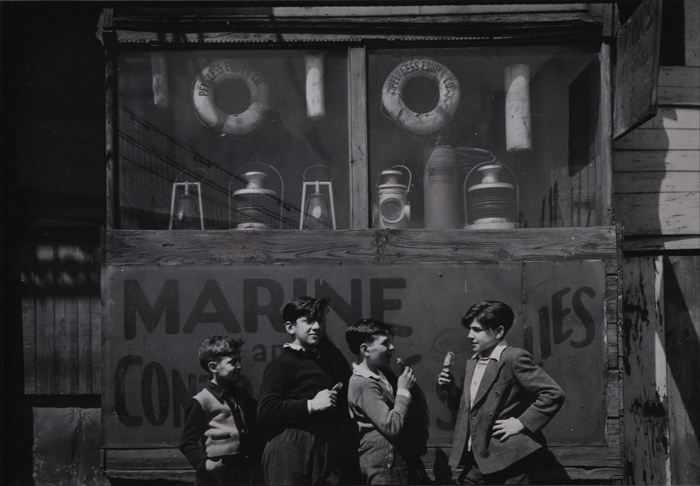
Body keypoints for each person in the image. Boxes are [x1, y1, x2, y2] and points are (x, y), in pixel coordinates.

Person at [437, 300, 565, 485]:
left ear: (498, 331)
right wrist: (449, 388)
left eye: (476, 330)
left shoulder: (513, 358)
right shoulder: (474, 362)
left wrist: (521, 423)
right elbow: (473, 409)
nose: (469, 335)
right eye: (469, 329)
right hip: (478, 459)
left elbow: (553, 393)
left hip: (509, 460)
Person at [257, 296, 354, 486]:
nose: (317, 326)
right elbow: (265, 410)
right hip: (290, 448)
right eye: (309, 321)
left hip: (324, 447)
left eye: (320, 321)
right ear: (290, 328)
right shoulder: (281, 365)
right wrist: (311, 405)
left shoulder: (327, 361)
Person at [345, 318, 418, 485]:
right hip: (383, 465)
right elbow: (391, 426)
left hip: (391, 462)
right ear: (365, 350)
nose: (392, 347)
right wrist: (403, 390)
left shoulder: (379, 374)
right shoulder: (362, 383)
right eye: (385, 343)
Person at [180, 336, 258, 486]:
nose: (239, 366)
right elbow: (187, 442)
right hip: (217, 473)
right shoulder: (201, 400)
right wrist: (205, 465)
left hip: (242, 469)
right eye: (232, 362)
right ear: (213, 367)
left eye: (239, 361)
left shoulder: (242, 396)